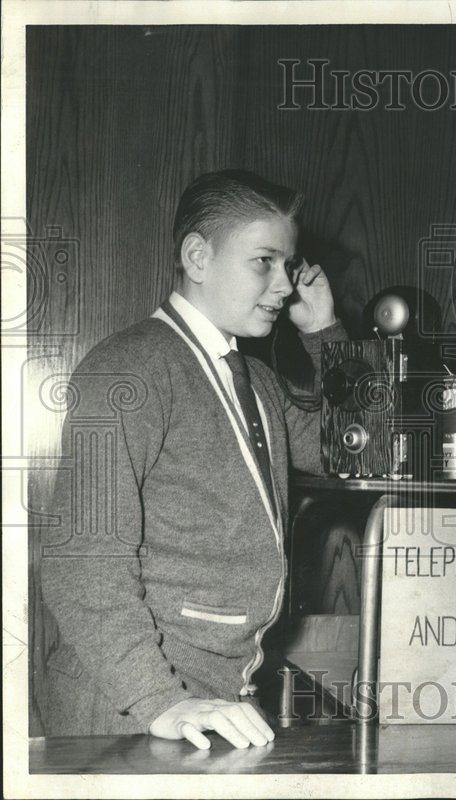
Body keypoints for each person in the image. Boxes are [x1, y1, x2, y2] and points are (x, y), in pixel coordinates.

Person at [40, 170, 348, 749]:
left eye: (290, 264)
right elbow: (82, 560)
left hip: (216, 700)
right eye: (265, 261)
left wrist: (326, 333)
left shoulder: (254, 378)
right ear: (198, 257)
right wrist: (161, 701)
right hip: (128, 707)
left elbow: (348, 450)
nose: (284, 285)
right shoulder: (127, 370)